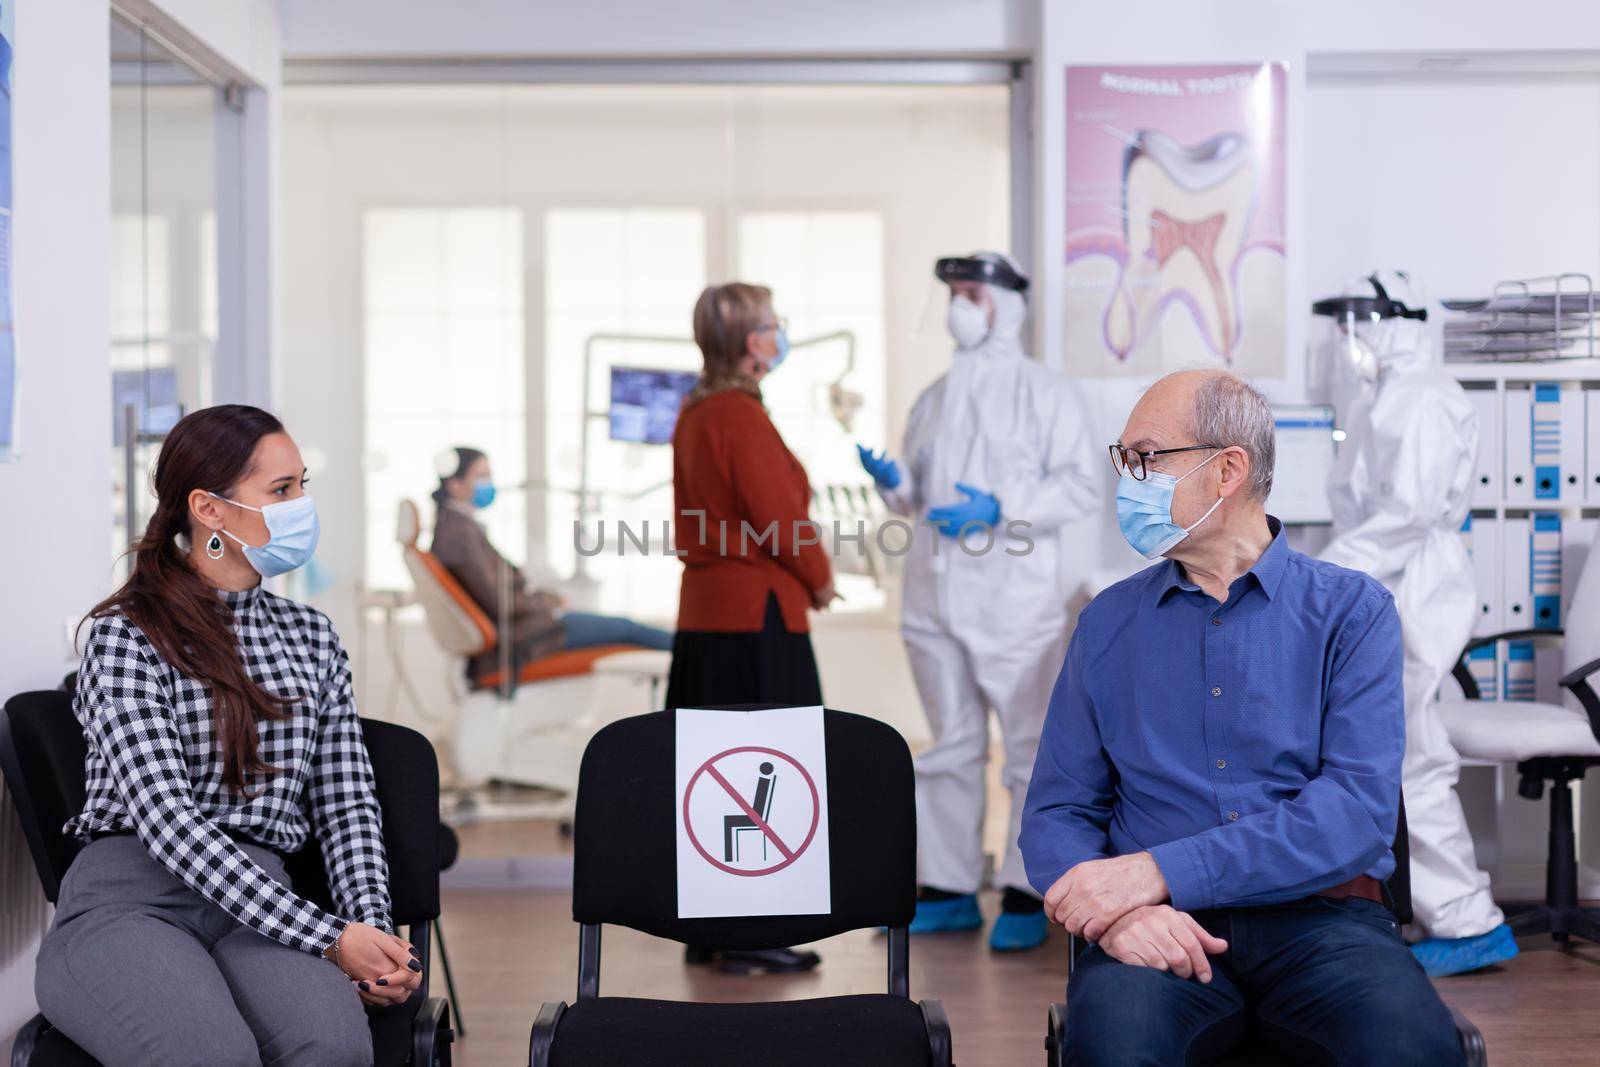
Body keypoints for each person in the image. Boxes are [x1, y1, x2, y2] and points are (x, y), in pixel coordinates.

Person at [1019, 370, 1466, 1065]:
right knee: (1114, 1046)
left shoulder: (1352, 612)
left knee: (1409, 1046)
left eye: (1146, 458)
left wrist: (1155, 870)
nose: (1128, 483)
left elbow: (1353, 813)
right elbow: (1055, 811)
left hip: (1325, 923)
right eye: (1125, 461)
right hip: (1157, 931)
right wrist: (1120, 912)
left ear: (1228, 469)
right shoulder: (1106, 623)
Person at [36, 405, 420, 1067]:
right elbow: (167, 822)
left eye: (302, 484)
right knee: (207, 1054)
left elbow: (346, 804)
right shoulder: (126, 634)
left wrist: (373, 934)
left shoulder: (312, 636)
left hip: (260, 900)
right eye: (281, 490)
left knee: (333, 1045)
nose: (301, 505)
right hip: (133, 895)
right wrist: (330, 936)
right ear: (208, 510)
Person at [857, 252, 1099, 952]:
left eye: (971, 292)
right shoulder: (932, 397)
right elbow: (918, 497)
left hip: (1015, 600)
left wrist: (1003, 507)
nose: (959, 305)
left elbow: (1081, 486)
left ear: (1007, 301)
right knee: (950, 744)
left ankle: (1028, 887)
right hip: (933, 591)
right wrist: (893, 482)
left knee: (1027, 747)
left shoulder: (1046, 392)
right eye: (954, 293)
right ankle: (947, 885)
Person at [1316, 271, 1515, 977]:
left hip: (1418, 588)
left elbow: (1405, 516)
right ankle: (1436, 912)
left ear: (1390, 319)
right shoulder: (1382, 397)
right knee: (1394, 755)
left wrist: (1320, 572)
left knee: (1416, 755)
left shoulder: (1423, 396)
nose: (1343, 338)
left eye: (1352, 322)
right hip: (1387, 584)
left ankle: (1466, 920)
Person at [669, 281, 834, 974]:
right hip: (756, 614)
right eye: (770, 324)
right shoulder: (740, 415)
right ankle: (756, 926)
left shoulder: (696, 411)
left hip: (707, 613)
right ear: (747, 341)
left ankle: (713, 926)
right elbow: (778, 515)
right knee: (770, 771)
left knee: (712, 774)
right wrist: (821, 576)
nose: (779, 332)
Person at [430, 446, 673, 689]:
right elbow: (498, 601)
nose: (489, 483)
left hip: (527, 627)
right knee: (627, 629)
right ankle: (695, 650)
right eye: (481, 476)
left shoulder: (457, 526)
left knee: (626, 628)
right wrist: (549, 603)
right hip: (526, 637)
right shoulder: (458, 533)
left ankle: (692, 649)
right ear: (454, 484)